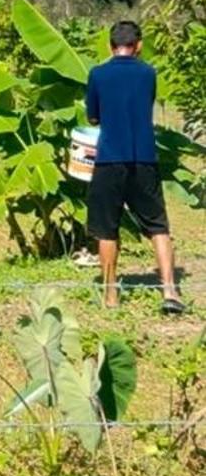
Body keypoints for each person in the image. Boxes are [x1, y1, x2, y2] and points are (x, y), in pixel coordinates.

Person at [85, 19, 183, 314]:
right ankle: (170, 290)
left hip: (109, 159)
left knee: (107, 229)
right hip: (143, 157)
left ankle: (111, 295)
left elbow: (93, 117)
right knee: (158, 226)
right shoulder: (148, 73)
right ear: (138, 45)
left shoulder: (98, 74)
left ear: (110, 45)